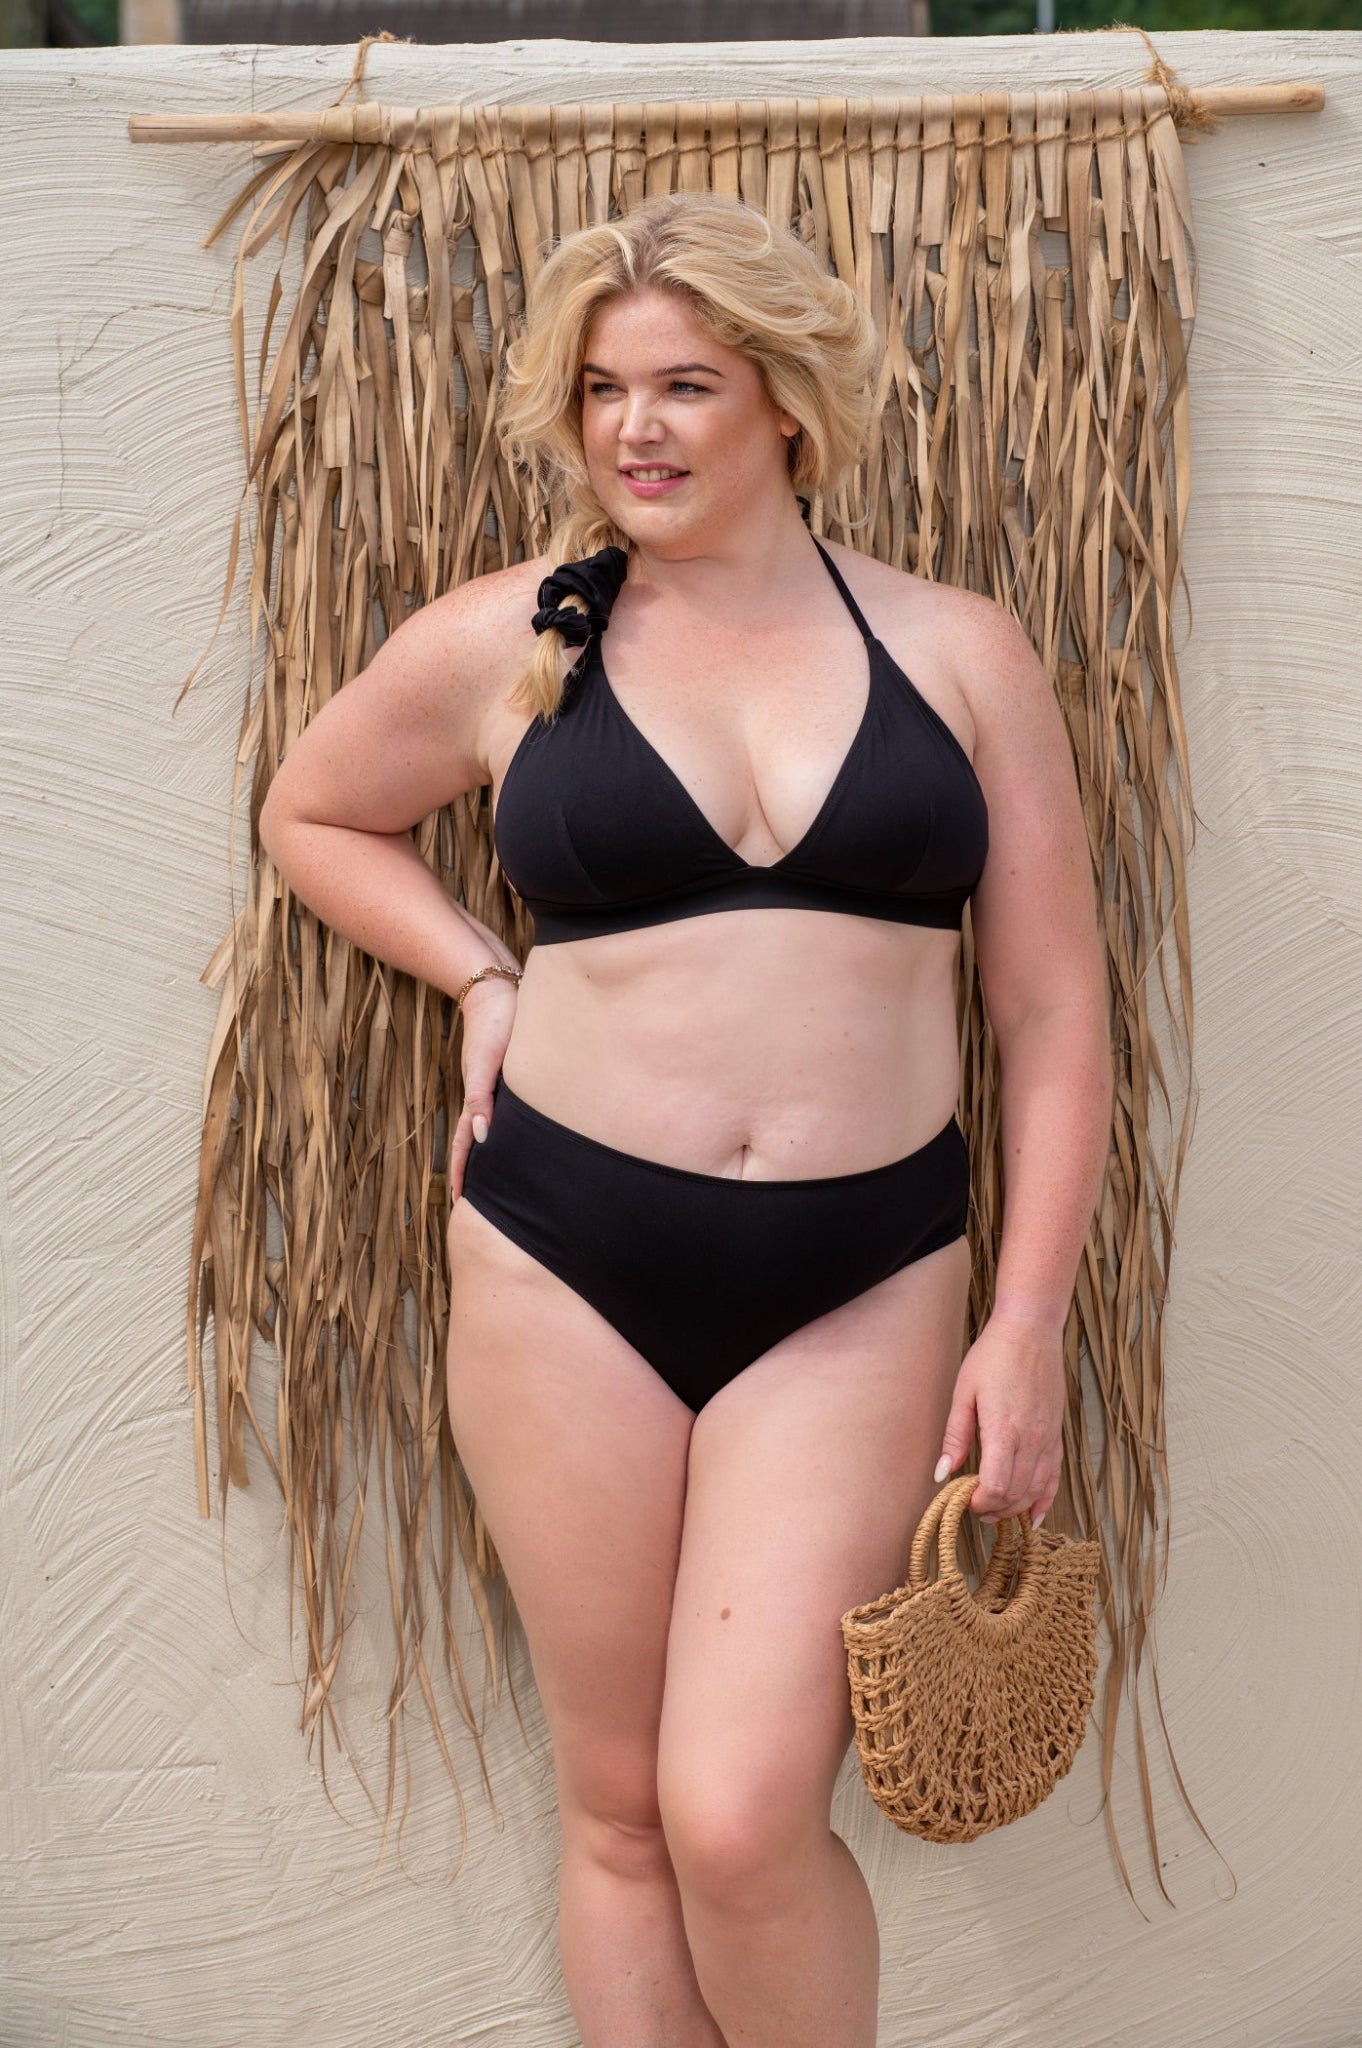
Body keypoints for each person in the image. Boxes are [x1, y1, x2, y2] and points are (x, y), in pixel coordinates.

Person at [259, 191, 1114, 2048]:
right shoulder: (514, 640)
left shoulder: (958, 656)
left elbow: (1050, 1009)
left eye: (685, 385)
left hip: (863, 1274)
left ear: (786, 403)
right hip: (561, 1253)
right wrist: (482, 976)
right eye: (599, 391)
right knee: (628, 1811)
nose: (633, 427)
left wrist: (1026, 1319)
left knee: (742, 1817)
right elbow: (315, 812)